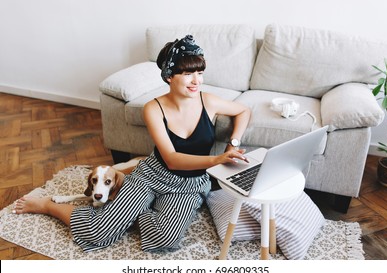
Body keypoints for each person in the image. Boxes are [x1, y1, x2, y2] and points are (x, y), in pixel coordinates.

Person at [12, 35, 251, 252]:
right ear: (169, 76)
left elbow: (244, 111)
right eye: (188, 73)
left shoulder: (208, 101)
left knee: (166, 239)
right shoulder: (153, 108)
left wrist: (233, 144)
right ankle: (47, 205)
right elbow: (171, 158)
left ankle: (125, 211)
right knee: (97, 231)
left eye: (200, 73)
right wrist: (217, 160)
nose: (196, 80)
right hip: (153, 174)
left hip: (189, 185)